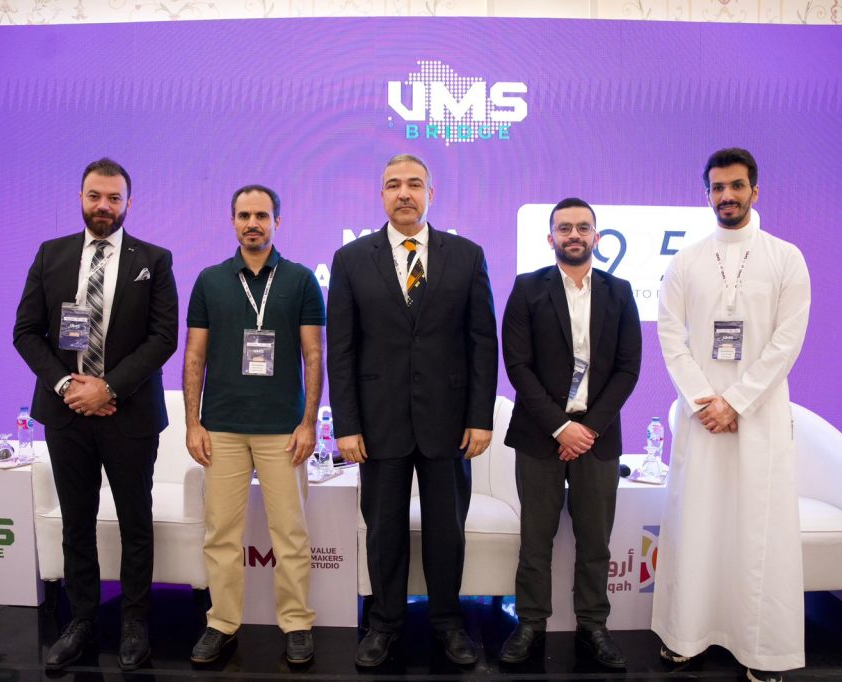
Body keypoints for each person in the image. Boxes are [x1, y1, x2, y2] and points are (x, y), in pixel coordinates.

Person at [326, 154, 498, 667]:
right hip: (378, 423)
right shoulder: (351, 259)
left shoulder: (466, 256)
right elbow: (342, 350)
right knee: (384, 532)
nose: (404, 193)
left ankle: (448, 623)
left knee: (447, 531)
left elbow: (482, 343)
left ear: (430, 193)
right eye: (393, 185)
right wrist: (347, 424)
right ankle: (384, 624)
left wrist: (480, 417)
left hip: (449, 423)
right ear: (381, 195)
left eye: (414, 184)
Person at [652, 148, 811, 682]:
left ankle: (762, 651)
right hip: (701, 420)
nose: (727, 196)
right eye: (718, 188)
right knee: (697, 526)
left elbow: (787, 341)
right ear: (707, 195)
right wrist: (706, 400)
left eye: (737, 186)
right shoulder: (687, 260)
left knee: (758, 533)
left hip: (759, 419)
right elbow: (670, 336)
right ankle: (686, 637)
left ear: (754, 191)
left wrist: (737, 401)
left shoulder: (786, 258)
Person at [13, 157, 178, 671]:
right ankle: (82, 620)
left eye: (113, 197)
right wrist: (68, 386)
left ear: (129, 202)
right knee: (76, 522)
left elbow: (163, 338)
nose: (103, 206)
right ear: (81, 197)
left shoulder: (154, 259)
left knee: (135, 522)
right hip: (66, 414)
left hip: (129, 415)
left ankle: (134, 621)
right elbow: (26, 332)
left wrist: (108, 387)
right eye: (94, 196)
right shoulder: (51, 254)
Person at [183, 185, 323, 666]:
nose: (252, 224)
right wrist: (193, 423)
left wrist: (309, 423)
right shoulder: (210, 280)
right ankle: (222, 623)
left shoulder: (301, 280)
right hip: (221, 427)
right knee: (221, 533)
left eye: (261, 215)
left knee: (291, 533)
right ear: (232, 221)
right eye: (244, 215)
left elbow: (314, 355)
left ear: (277, 222)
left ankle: (297, 623)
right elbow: (194, 356)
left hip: (283, 429)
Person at [499, 197, 642, 667]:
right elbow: (518, 366)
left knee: (595, 542)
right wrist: (561, 427)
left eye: (583, 227)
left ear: (596, 237)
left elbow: (628, 369)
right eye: (565, 228)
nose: (574, 235)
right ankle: (530, 624)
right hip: (540, 434)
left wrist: (587, 429)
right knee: (535, 540)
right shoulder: (527, 288)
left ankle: (593, 626)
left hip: (597, 438)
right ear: (551, 238)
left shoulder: (620, 292)